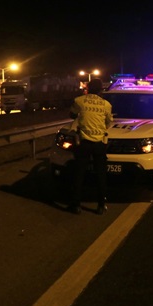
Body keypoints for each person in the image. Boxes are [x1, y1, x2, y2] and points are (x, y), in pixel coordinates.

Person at [68, 78, 113, 215]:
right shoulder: (106, 104)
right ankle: (101, 205)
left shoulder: (79, 100)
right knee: (101, 175)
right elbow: (108, 122)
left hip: (83, 143)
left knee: (79, 174)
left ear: (88, 88)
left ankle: (76, 205)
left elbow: (72, 114)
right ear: (101, 89)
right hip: (99, 143)